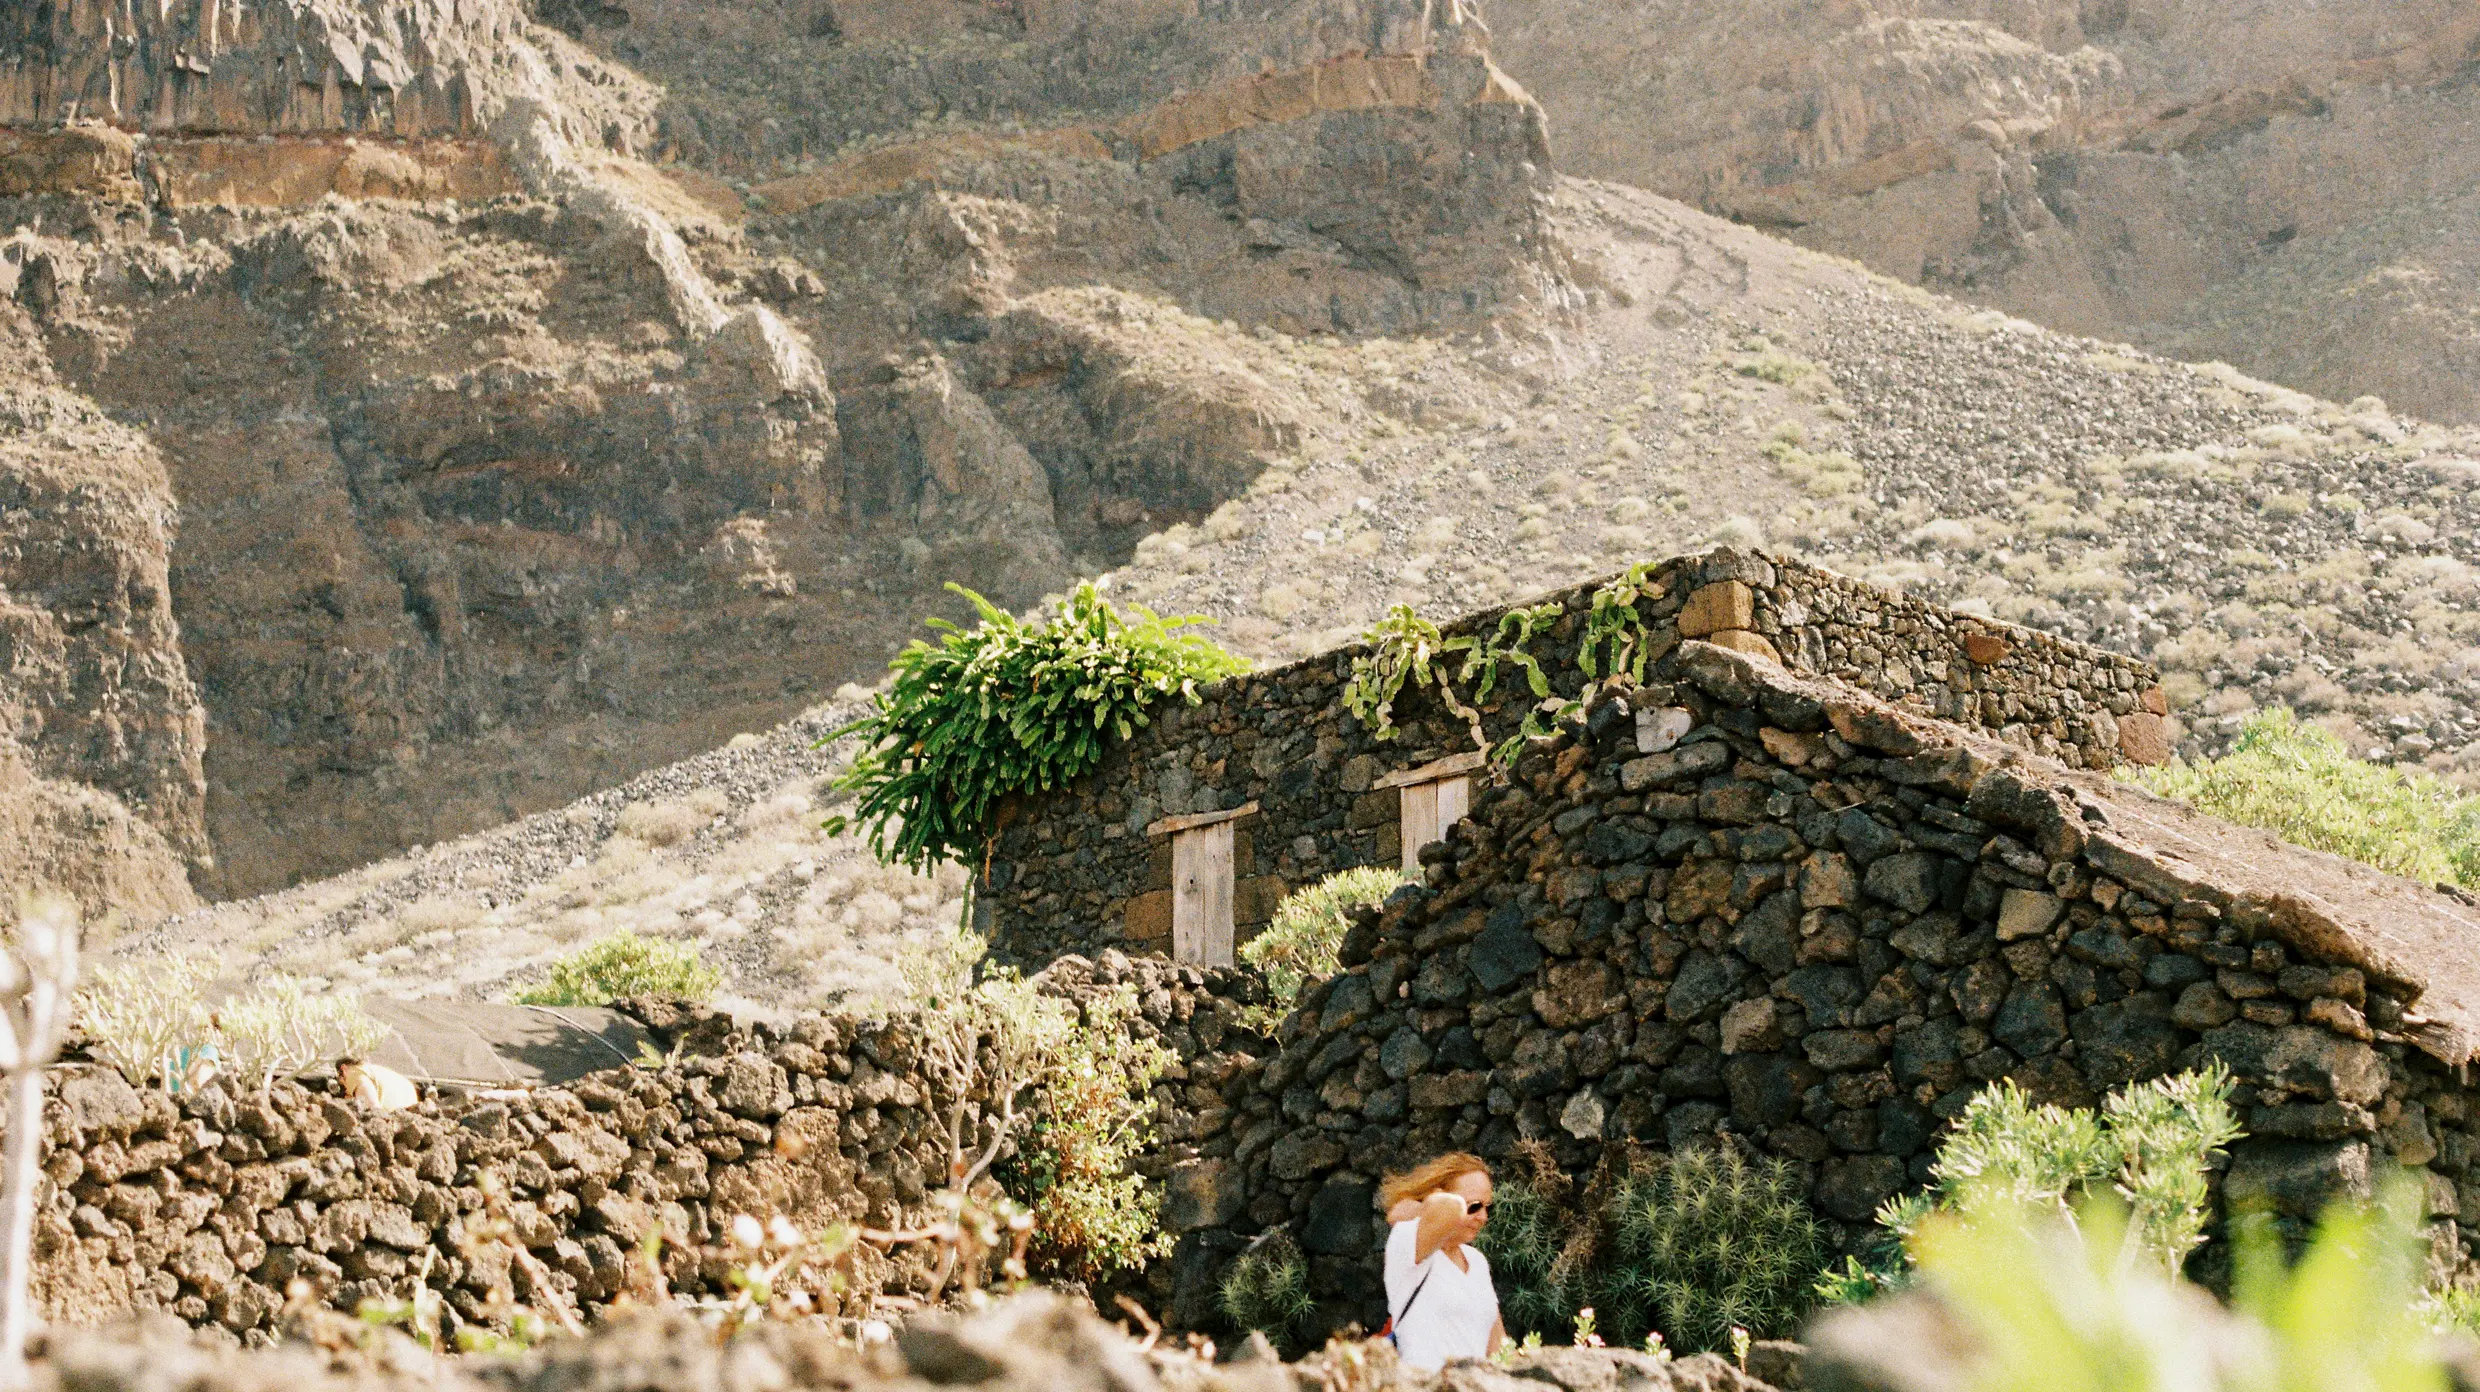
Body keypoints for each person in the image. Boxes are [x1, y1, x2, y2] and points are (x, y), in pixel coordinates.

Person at [1378, 1152, 1504, 1370]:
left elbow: (1498, 1346)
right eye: (1474, 1206)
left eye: (1487, 1207)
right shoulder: (1407, 1243)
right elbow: (1448, 1208)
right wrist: (1427, 1207)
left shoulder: (1477, 1261)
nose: (1483, 1217)